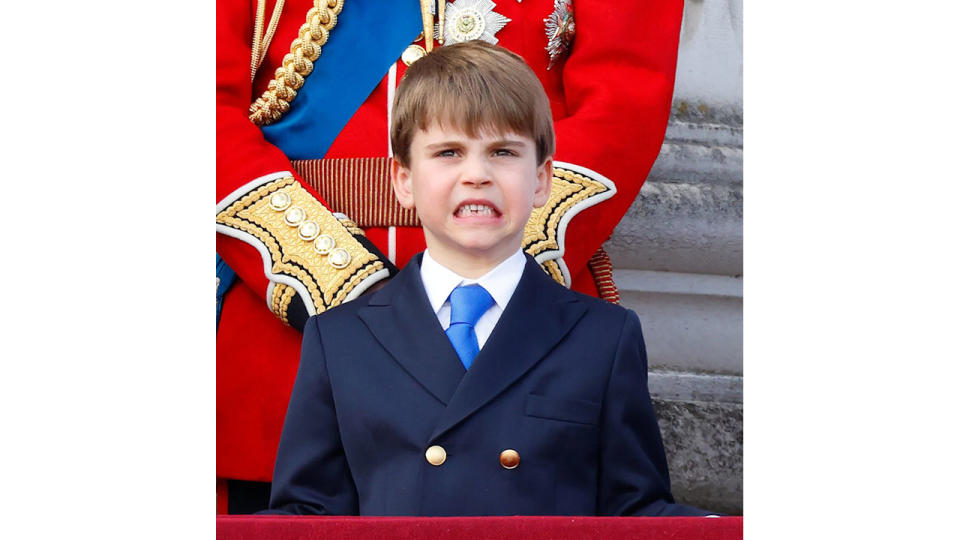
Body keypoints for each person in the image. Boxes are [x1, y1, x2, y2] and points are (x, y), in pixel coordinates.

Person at [217, 0, 685, 512]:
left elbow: (624, 101)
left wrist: (499, 288)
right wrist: (339, 282)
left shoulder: (602, 340)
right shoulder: (337, 339)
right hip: (289, 332)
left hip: (531, 349)